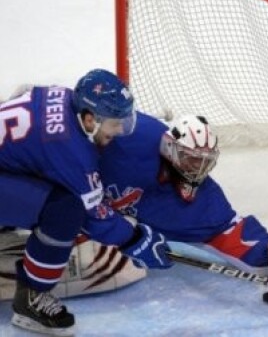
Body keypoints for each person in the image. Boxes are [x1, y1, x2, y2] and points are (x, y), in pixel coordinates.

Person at [0, 69, 173, 336]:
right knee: (65, 210)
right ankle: (31, 297)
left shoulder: (66, 99)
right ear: (90, 119)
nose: (119, 130)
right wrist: (136, 240)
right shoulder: (70, 147)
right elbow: (94, 216)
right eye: (114, 123)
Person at [98, 111, 268, 292]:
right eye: (190, 159)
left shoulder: (205, 202)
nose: (197, 169)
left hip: (140, 212)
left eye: (203, 161)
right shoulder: (132, 140)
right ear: (169, 148)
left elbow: (233, 233)